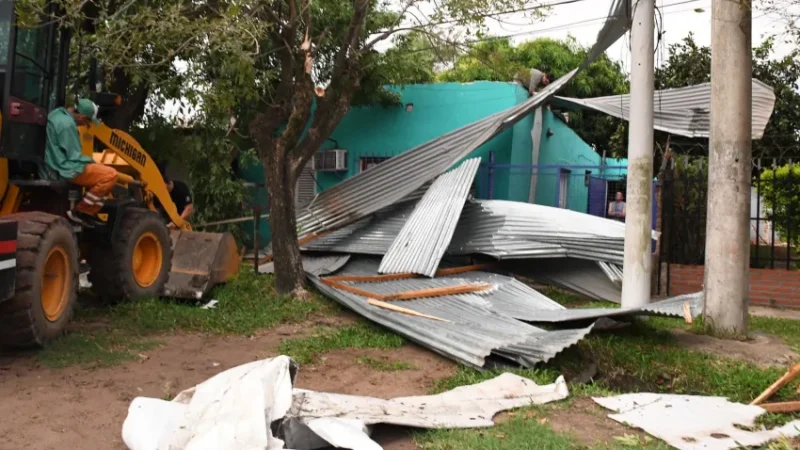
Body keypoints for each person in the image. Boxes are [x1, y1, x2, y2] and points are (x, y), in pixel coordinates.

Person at [40, 98, 118, 228]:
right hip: (64, 167)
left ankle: (89, 213)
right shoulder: (68, 125)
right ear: (82, 116)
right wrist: (93, 161)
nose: (85, 125)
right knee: (111, 175)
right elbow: (74, 156)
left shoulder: (57, 114)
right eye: (87, 121)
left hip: (54, 163)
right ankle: (83, 211)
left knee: (100, 176)